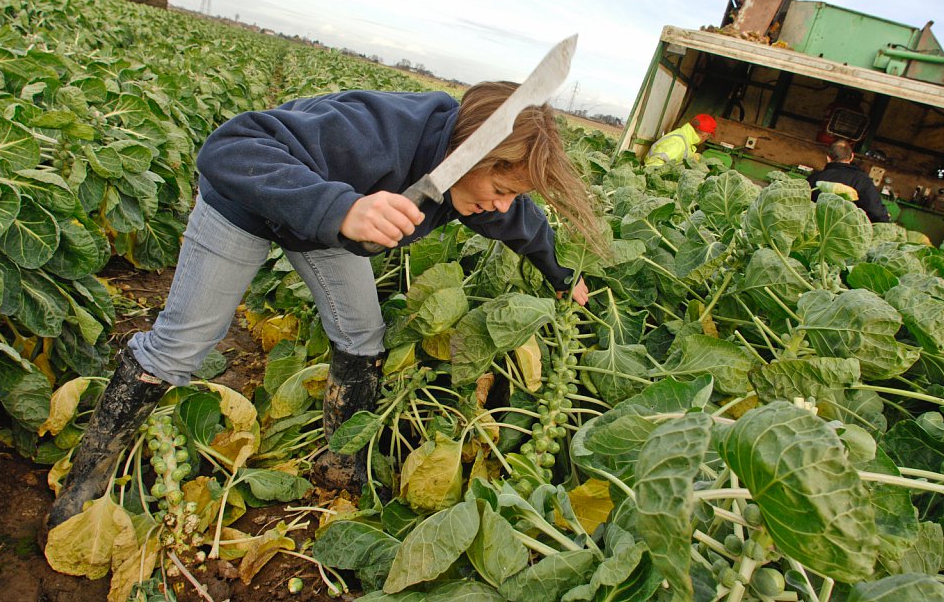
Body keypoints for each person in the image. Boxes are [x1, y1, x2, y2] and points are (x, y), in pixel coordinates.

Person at [47, 81, 603, 528]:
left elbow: (518, 222)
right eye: (501, 189)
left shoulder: (476, 187)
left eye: (514, 195)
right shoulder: (379, 133)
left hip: (320, 227)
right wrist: (342, 208)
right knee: (185, 343)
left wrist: (559, 276)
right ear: (467, 153)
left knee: (363, 336)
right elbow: (231, 145)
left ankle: (339, 461)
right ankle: (87, 479)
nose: (501, 206)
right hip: (247, 204)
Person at [806, 139, 891, 223]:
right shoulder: (861, 180)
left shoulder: (814, 178)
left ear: (828, 158)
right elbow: (876, 213)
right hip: (846, 234)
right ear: (852, 157)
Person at [644, 113, 717, 166]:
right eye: (708, 137)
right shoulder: (678, 142)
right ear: (705, 135)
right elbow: (653, 164)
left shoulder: (686, 138)